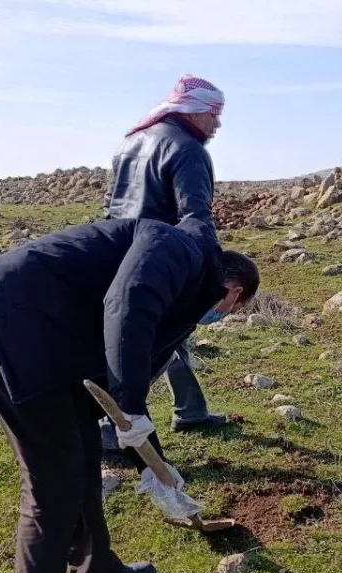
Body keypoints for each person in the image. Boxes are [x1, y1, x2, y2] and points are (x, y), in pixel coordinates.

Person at [0, 216, 259, 573]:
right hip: (7, 330)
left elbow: (122, 389)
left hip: (43, 339)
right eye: (233, 310)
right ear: (234, 293)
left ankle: (96, 572)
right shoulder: (179, 251)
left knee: (81, 455)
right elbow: (126, 304)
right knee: (53, 480)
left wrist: (157, 470)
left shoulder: (182, 293)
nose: (222, 316)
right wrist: (130, 407)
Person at [103, 74, 228, 435]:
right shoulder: (188, 150)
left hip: (119, 252)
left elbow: (111, 205)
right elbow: (195, 217)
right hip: (161, 259)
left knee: (162, 337)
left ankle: (190, 411)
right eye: (214, 114)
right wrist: (210, 272)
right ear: (194, 111)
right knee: (152, 345)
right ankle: (113, 430)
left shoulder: (130, 143)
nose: (217, 123)